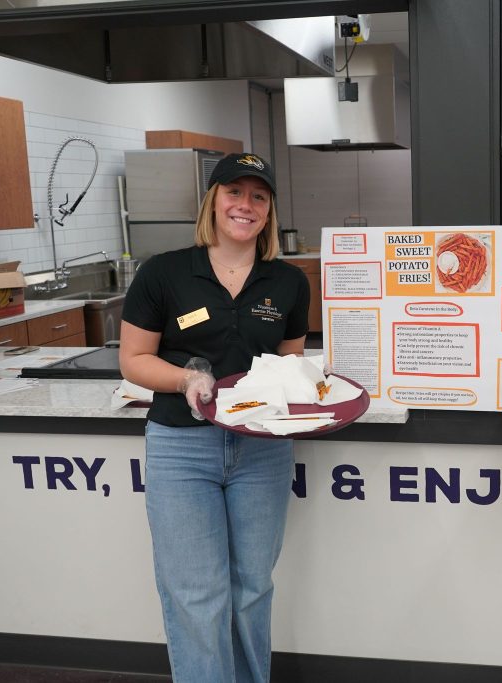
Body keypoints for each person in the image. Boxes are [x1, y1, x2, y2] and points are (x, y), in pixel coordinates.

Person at [119, 152, 310, 682]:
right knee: (196, 594)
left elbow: (288, 365)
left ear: (269, 211)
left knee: (252, 589)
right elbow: (133, 359)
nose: (245, 206)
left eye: (258, 197)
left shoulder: (289, 281)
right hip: (182, 447)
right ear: (213, 200)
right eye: (234, 192)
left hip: (262, 449)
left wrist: (309, 390)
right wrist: (185, 379)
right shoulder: (164, 272)